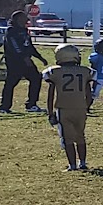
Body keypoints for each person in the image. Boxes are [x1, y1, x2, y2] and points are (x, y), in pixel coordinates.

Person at [42, 43, 95, 171]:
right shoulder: (85, 71)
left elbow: (50, 95)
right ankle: (82, 163)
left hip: (63, 108)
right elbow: (89, 93)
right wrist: (86, 106)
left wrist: (50, 112)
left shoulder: (54, 72)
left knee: (67, 138)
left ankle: (72, 165)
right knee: (80, 136)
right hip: (80, 108)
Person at [0, 10, 46, 114]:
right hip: (15, 62)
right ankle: (4, 107)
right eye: (24, 17)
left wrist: (40, 57)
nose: (27, 18)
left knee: (36, 78)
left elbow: (29, 46)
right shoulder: (11, 31)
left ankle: (31, 104)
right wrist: (24, 58)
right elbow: (15, 47)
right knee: (11, 83)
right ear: (18, 19)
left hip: (27, 61)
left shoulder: (24, 30)